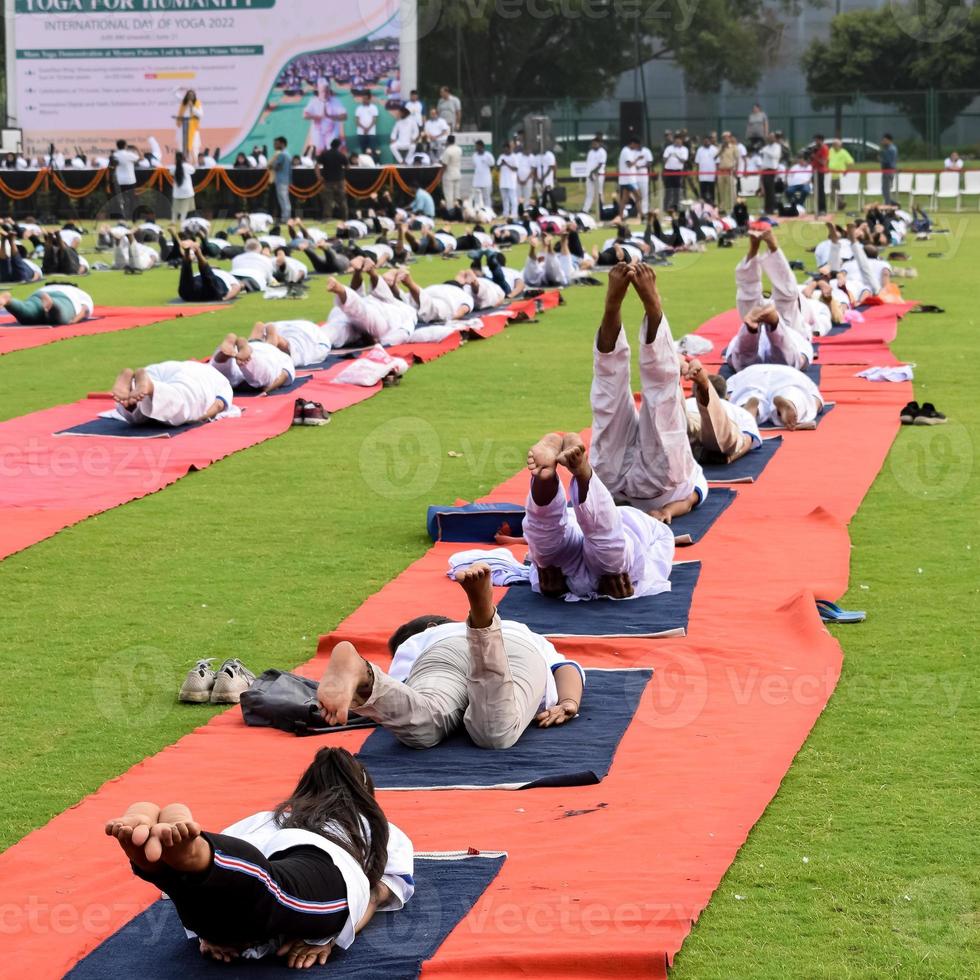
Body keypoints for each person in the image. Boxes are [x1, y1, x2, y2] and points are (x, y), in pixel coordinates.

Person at [105, 747, 414, 966]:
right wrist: (333, 937)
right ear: (363, 793)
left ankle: (170, 859)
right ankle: (189, 852)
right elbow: (376, 893)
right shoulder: (373, 825)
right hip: (321, 868)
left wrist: (204, 933)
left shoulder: (269, 817)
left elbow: (219, 874)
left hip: (246, 895)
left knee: (212, 887)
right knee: (272, 890)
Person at [318, 562, 585, 749]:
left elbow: (403, 694)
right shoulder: (523, 631)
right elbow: (565, 666)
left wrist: (370, 696)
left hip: (443, 652)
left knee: (422, 726)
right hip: (514, 646)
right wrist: (569, 701)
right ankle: (484, 623)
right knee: (494, 733)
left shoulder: (420, 642)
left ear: (430, 629)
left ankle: (366, 675)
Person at [590, 262, 707, 523]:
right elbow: (692, 499)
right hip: (654, 485)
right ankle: (651, 308)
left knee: (610, 398)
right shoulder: (694, 473)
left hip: (610, 484)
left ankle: (614, 306)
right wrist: (667, 511)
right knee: (660, 402)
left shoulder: (692, 466)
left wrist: (666, 511)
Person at [523, 429, 675, 601]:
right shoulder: (656, 530)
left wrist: (548, 587)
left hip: (563, 575)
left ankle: (547, 477)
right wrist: (633, 587)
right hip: (589, 571)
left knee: (546, 542)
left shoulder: (644, 524)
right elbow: (651, 573)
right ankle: (581, 474)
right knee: (610, 551)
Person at [727, 228, 813, 372]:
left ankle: (755, 329)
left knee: (743, 363)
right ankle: (772, 324)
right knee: (787, 362)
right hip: (791, 332)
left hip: (789, 329)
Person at [322, 258, 417, 348]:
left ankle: (345, 289)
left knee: (334, 331)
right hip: (357, 318)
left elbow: (404, 332)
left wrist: (382, 341)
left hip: (363, 319)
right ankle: (348, 286)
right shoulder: (375, 298)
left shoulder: (407, 309)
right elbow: (405, 332)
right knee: (351, 320)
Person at [111, 360, 235, 426]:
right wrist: (196, 417)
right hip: (192, 379)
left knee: (138, 414)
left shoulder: (195, 365)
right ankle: (152, 386)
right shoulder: (224, 383)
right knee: (181, 406)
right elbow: (218, 405)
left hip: (159, 369)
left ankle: (131, 395)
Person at [683, 359, 761, 465]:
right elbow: (747, 441)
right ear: (726, 397)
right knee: (728, 438)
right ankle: (706, 392)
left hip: (688, 419)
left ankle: (689, 392)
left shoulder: (689, 401)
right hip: (722, 428)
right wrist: (730, 458)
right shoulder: (738, 411)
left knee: (681, 423)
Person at [727, 363, 824, 430]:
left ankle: (747, 411)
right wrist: (813, 407)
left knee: (748, 393)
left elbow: (728, 394)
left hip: (752, 375)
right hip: (790, 375)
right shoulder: (798, 374)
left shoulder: (741, 373)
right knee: (794, 394)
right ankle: (792, 403)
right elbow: (816, 400)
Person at [210, 332, 295, 395]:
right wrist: (268, 390)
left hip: (241, 353)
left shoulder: (260, 345)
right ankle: (244, 350)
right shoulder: (285, 357)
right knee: (262, 377)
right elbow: (284, 376)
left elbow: (267, 328)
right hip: (251, 365)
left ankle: (224, 355)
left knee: (219, 370)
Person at [177, 240, 243, 302]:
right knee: (188, 278)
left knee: (207, 277)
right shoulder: (199, 273)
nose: (213, 266)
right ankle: (191, 252)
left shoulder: (224, 273)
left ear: (218, 268)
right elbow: (187, 278)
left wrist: (226, 298)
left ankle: (195, 253)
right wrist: (225, 298)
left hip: (210, 290)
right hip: (195, 291)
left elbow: (236, 287)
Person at [0, 282, 92, 324]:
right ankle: (52, 305)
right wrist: (74, 320)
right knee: (59, 319)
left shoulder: (47, 287)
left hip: (39, 294)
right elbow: (85, 309)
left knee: (27, 312)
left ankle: (9, 301)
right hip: (64, 297)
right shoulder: (78, 292)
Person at [304, 78, 347, 154]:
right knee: (319, 150)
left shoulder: (335, 101)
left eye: (327, 91)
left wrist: (330, 116)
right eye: (323, 91)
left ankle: (337, 141)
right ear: (319, 91)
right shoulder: (313, 101)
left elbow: (345, 116)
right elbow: (305, 115)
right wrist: (319, 117)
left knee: (332, 150)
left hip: (332, 130)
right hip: (318, 130)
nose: (325, 93)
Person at [316, 138, 349, 221]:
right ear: (339, 146)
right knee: (342, 200)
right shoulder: (341, 155)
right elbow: (348, 167)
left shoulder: (324, 154)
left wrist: (319, 176)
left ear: (330, 144)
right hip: (339, 181)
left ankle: (327, 218)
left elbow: (316, 166)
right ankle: (345, 218)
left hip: (327, 181)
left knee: (328, 201)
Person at [112, 139, 140, 219]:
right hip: (130, 180)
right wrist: (137, 149)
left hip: (120, 181)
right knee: (133, 200)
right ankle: (134, 216)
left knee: (121, 200)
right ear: (125, 146)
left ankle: (121, 217)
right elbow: (141, 158)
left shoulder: (115, 155)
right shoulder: (129, 154)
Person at [617, 134, 642, 220]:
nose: (636, 147)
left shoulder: (628, 151)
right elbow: (629, 164)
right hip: (629, 180)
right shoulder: (626, 151)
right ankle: (640, 215)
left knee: (624, 199)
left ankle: (621, 216)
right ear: (632, 143)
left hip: (627, 179)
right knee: (638, 196)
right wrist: (637, 159)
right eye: (636, 145)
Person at [268, 136, 292, 222]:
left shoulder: (282, 154)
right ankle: (286, 216)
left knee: (283, 199)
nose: (274, 145)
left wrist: (271, 165)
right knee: (285, 199)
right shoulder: (287, 154)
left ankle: (285, 217)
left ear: (282, 144)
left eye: (276, 143)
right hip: (285, 179)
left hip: (281, 180)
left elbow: (276, 166)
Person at [828, 138, 854, 210]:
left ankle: (840, 206)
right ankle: (841, 204)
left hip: (840, 176)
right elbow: (827, 160)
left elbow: (851, 162)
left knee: (840, 192)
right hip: (831, 176)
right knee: (832, 194)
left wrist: (847, 170)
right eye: (833, 144)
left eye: (836, 144)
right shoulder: (831, 151)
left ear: (840, 145)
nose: (834, 146)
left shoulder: (844, 152)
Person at [583, 135, 607, 217]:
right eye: (592, 144)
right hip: (589, 175)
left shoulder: (602, 152)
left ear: (599, 143)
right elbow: (589, 164)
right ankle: (585, 210)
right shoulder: (590, 152)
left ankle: (601, 210)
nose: (593, 145)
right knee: (589, 193)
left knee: (599, 193)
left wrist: (592, 172)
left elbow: (600, 164)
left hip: (598, 175)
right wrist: (589, 173)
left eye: (595, 144)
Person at [176, 90, 203, 158]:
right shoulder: (183, 103)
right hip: (183, 129)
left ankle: (195, 163)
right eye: (189, 95)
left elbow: (201, 114)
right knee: (182, 147)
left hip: (193, 129)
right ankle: (183, 162)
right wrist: (179, 88)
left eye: (192, 95)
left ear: (194, 96)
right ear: (187, 96)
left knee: (194, 147)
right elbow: (174, 94)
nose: (190, 97)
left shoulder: (197, 103)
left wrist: (192, 107)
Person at [760, 133, 783, 214]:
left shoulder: (777, 146)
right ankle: (767, 208)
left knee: (770, 189)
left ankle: (771, 208)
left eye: (771, 138)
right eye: (768, 138)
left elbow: (775, 156)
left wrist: (766, 151)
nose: (769, 139)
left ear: (774, 138)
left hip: (772, 169)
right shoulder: (766, 147)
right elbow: (762, 154)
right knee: (766, 190)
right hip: (765, 169)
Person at [496, 141, 519, 219]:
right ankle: (505, 213)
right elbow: (497, 167)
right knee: (504, 198)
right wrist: (501, 164)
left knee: (513, 198)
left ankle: (514, 213)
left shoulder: (514, 157)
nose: (505, 151)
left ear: (509, 149)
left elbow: (516, 168)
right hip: (503, 181)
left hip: (511, 182)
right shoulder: (501, 156)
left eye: (506, 149)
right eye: (504, 150)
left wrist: (507, 164)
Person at [171, 152, 196, 222]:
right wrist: (187, 162)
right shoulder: (187, 166)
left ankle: (173, 222)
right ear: (184, 158)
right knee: (184, 210)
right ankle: (182, 222)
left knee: (175, 209)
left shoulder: (173, 167)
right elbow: (193, 170)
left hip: (177, 193)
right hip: (187, 192)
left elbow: (170, 172)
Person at [470, 139, 495, 210]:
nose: (476, 148)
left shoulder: (488, 155)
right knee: (477, 198)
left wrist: (485, 173)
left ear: (481, 146)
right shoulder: (474, 155)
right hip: (477, 181)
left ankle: (488, 212)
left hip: (486, 181)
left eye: (477, 146)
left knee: (486, 198)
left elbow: (492, 166)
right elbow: (475, 166)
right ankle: (478, 213)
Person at [353, 92, 380, 156]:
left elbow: (374, 120)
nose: (364, 100)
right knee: (363, 149)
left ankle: (374, 163)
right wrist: (364, 129)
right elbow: (357, 121)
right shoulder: (358, 108)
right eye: (363, 98)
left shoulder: (374, 108)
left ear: (369, 99)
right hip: (361, 132)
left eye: (366, 99)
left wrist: (368, 129)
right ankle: (365, 164)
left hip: (371, 132)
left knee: (372, 149)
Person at [694, 135, 718, 205]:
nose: (706, 142)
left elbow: (717, 163)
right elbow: (697, 163)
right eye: (704, 141)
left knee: (712, 192)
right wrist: (697, 174)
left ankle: (712, 207)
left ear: (710, 141)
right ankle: (703, 207)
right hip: (702, 176)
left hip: (712, 176)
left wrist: (716, 174)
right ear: (703, 142)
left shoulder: (715, 149)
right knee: (703, 193)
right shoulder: (699, 150)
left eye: (707, 141)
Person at [441, 134, 462, 208]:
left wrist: (440, 175)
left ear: (447, 141)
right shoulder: (459, 149)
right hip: (457, 173)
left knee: (449, 195)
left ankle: (450, 212)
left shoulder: (447, 151)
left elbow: (444, 165)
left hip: (449, 175)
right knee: (456, 195)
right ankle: (458, 212)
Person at [810, 134, 829, 216]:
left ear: (821, 140)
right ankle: (817, 208)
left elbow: (824, 162)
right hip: (814, 171)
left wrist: (815, 157)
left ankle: (822, 209)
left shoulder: (824, 149)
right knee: (816, 191)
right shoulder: (816, 149)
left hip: (820, 172)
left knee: (820, 191)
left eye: (817, 140)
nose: (815, 142)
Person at [880, 133, 898, 205]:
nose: (883, 142)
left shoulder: (890, 149)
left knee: (885, 190)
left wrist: (880, 159)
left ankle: (889, 204)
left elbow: (887, 161)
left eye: (884, 140)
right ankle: (891, 203)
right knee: (885, 190)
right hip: (889, 171)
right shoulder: (892, 148)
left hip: (888, 171)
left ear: (888, 140)